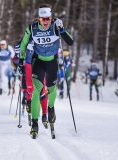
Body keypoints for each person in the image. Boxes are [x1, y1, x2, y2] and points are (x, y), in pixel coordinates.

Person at [18, 4, 73, 138]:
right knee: (37, 90)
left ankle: (50, 108)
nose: (45, 22)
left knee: (52, 89)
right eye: (43, 19)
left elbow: (70, 42)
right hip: (38, 61)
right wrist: (21, 60)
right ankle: (35, 124)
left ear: (51, 17)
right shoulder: (32, 27)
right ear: (39, 19)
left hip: (52, 61)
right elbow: (23, 44)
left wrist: (63, 29)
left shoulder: (56, 26)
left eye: (48, 19)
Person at [23, 38, 48, 128]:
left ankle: (44, 114)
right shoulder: (26, 40)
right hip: (29, 66)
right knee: (29, 88)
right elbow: (19, 50)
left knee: (42, 91)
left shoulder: (43, 38)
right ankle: (28, 101)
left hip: (40, 66)